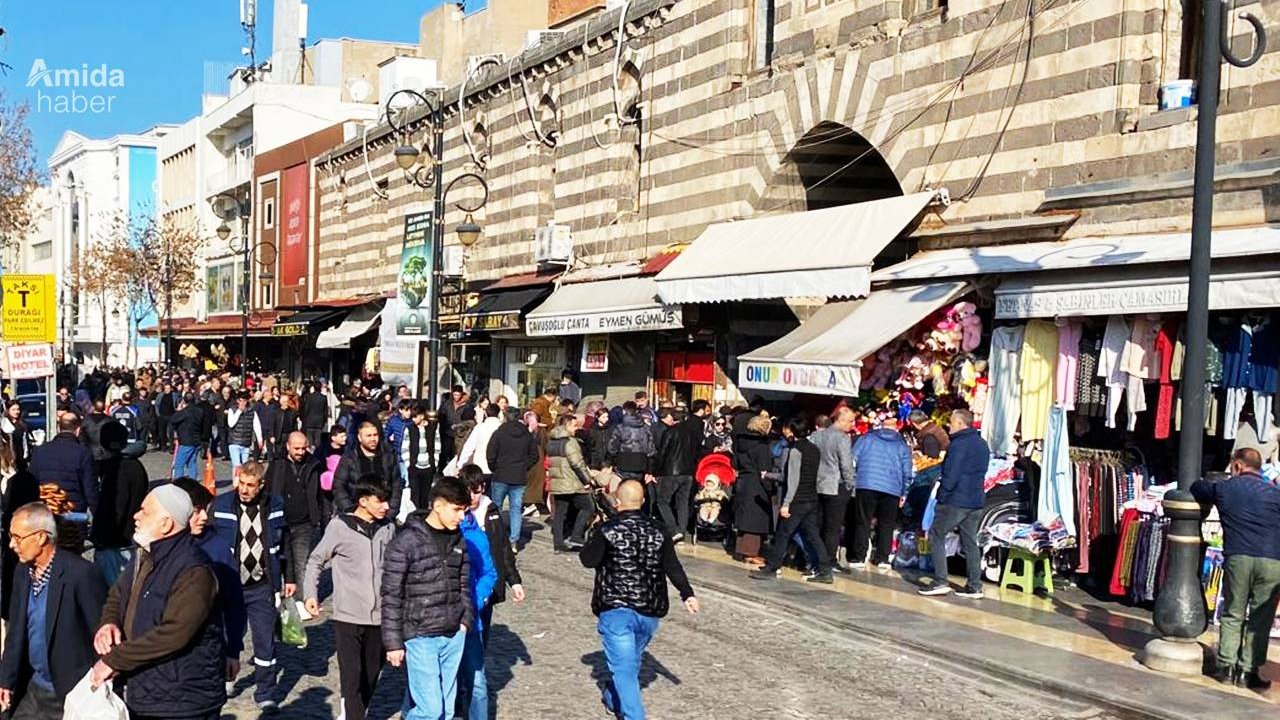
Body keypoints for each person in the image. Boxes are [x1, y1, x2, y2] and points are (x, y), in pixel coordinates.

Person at [92, 485, 228, 720]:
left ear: (166, 524)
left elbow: (175, 632)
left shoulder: (194, 570)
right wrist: (108, 623)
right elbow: (117, 595)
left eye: (144, 511)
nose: (136, 515)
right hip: (146, 690)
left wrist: (114, 660)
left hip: (182, 700)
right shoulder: (144, 554)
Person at [580, 479, 698, 720]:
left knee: (625, 669)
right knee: (629, 664)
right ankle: (614, 699)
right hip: (649, 608)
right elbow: (672, 566)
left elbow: (588, 559)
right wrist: (687, 593)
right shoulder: (659, 529)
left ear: (617, 501)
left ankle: (632, 714)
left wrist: (594, 533)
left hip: (616, 607)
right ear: (643, 502)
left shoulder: (607, 529)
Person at [0, 503, 106, 718]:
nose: (12, 544)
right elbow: (16, 632)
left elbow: (100, 632)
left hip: (69, 692)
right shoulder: (22, 572)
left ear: (41, 537)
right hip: (31, 688)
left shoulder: (80, 574)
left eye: (18, 538)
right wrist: (6, 679)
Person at [381, 475, 474, 720]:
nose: (461, 517)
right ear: (438, 505)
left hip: (453, 633)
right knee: (431, 711)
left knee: (447, 709)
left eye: (464, 511)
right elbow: (391, 594)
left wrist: (465, 620)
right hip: (420, 635)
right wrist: (393, 643)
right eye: (457, 510)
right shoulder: (405, 542)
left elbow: (464, 583)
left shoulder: (460, 541)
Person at [304, 479, 394, 720]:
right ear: (363, 501)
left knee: (371, 674)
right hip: (348, 616)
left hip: (379, 617)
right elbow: (316, 560)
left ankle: (353, 712)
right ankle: (354, 714)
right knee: (352, 676)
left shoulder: (388, 528)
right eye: (380, 501)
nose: (386, 506)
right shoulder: (339, 527)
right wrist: (310, 594)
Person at [206, 461, 293, 709]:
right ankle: (226, 677)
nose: (244, 490)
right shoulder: (221, 506)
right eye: (241, 483)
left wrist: (290, 578)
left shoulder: (274, 505)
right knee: (226, 636)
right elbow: (208, 540)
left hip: (262, 584)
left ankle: (266, 692)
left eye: (250, 485)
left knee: (265, 641)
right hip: (229, 584)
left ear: (261, 485)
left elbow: (284, 543)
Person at [1194, 447, 1280, 690]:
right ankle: (1248, 672)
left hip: (1239, 557)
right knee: (1261, 619)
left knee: (1233, 612)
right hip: (1273, 560)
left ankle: (1227, 668)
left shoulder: (1226, 487)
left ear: (1238, 466)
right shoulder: (1274, 492)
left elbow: (1197, 488)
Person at [749, 417, 833, 584]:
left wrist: (786, 504)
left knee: (782, 534)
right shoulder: (814, 449)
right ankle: (825, 570)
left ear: (792, 431)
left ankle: (772, 567)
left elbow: (793, 480)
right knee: (813, 536)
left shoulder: (796, 451)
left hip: (797, 500)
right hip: (811, 498)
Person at [920, 409, 991, 598]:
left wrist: (942, 496)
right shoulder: (982, 444)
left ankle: (940, 580)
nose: (949, 426)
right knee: (970, 542)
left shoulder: (958, 445)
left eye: (951, 422)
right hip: (975, 500)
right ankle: (975, 585)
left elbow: (951, 473)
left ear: (961, 423)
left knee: (936, 534)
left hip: (956, 500)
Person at [266, 431, 322, 619]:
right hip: (281, 520)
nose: (300, 452)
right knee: (279, 559)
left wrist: (319, 515)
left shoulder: (313, 464)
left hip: (304, 521)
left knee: (301, 562)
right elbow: (268, 490)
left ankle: (301, 600)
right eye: (296, 448)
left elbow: (319, 493)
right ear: (288, 446)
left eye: (303, 448)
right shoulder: (277, 464)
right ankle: (277, 593)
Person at [454, 484, 498, 720]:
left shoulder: (476, 535)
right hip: (439, 620)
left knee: (478, 682)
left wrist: (476, 600)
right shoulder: (433, 535)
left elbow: (489, 573)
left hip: (472, 621)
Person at [89, 422, 150, 586]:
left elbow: (117, 507)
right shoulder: (133, 465)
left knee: (114, 591)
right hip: (127, 536)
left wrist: (102, 537)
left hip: (117, 542)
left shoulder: (119, 469)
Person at [849, 415, 913, 570]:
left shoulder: (866, 439)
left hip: (866, 484)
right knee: (887, 523)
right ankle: (883, 558)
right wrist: (904, 492)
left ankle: (859, 556)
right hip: (892, 488)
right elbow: (907, 472)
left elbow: (852, 460)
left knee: (863, 521)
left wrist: (854, 480)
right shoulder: (902, 445)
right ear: (896, 428)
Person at [485, 408, 540, 553]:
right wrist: (524, 467)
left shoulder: (499, 433)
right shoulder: (526, 434)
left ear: (505, 417)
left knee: (495, 508)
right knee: (516, 510)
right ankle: (513, 541)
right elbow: (534, 455)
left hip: (501, 475)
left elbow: (490, 454)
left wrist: (494, 468)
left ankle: (495, 537)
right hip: (519, 477)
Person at [810, 408, 857, 572]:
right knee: (833, 527)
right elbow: (846, 464)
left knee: (818, 523)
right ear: (841, 420)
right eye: (851, 421)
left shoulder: (817, 436)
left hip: (817, 484)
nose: (853, 424)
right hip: (836, 485)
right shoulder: (842, 438)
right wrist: (851, 484)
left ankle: (815, 557)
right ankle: (828, 560)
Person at [29, 414, 97, 516]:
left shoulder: (40, 451)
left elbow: (31, 482)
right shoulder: (83, 453)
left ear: (58, 428)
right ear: (78, 430)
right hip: (74, 511)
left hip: (47, 509)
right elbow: (90, 490)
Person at [547, 413, 595, 552]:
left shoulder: (552, 441)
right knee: (588, 507)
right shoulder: (570, 442)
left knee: (560, 513)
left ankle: (558, 543)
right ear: (567, 425)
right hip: (571, 481)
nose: (576, 429)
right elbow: (577, 463)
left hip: (558, 481)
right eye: (574, 426)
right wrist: (587, 480)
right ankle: (576, 535)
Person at [731, 414, 776, 564]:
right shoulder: (762, 447)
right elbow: (765, 469)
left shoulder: (740, 443)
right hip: (756, 483)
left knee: (744, 516)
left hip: (743, 480)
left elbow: (735, 463)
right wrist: (770, 487)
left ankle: (740, 550)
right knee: (755, 518)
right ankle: (750, 552)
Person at [334, 422, 402, 518]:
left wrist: (392, 510)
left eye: (375, 435)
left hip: (383, 514)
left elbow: (397, 484)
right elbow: (339, 485)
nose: (373, 439)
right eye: (368, 436)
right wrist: (350, 510)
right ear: (359, 437)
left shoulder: (388, 455)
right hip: (357, 514)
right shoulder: (349, 458)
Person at [652, 408, 697, 541]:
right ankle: (682, 530)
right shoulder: (691, 433)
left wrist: (655, 471)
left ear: (673, 418)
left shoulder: (670, 432)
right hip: (688, 472)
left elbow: (662, 453)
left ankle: (673, 529)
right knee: (682, 502)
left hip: (671, 472)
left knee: (662, 502)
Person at [606, 404, 655, 483]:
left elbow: (612, 448)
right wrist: (649, 470)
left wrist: (610, 462)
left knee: (623, 490)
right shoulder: (645, 428)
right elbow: (651, 450)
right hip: (641, 464)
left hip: (623, 464)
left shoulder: (620, 428)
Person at [454, 403, 502, 482]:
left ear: (485, 414)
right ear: (498, 414)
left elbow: (469, 447)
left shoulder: (480, 428)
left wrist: (459, 465)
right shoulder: (502, 428)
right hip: (498, 469)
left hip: (481, 467)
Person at [401, 402, 436, 510]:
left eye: (415, 417)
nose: (413, 419)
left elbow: (437, 445)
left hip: (428, 466)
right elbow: (405, 447)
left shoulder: (432, 427)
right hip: (414, 466)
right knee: (415, 494)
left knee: (425, 494)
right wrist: (408, 463)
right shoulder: (410, 429)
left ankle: (423, 513)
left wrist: (435, 462)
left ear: (422, 416)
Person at [226, 391, 264, 474]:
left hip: (246, 442)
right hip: (234, 441)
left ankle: (242, 482)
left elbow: (256, 425)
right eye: (241, 400)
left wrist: (259, 438)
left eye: (244, 400)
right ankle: (236, 483)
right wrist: (239, 411)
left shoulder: (252, 411)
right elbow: (231, 424)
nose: (242, 402)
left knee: (245, 466)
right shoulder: (232, 409)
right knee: (237, 466)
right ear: (237, 400)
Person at [169, 393, 205, 478]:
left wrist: (178, 410)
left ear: (184, 401)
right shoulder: (200, 411)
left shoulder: (185, 412)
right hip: (197, 440)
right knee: (192, 463)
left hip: (186, 441)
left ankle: (179, 484)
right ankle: (193, 483)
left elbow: (173, 420)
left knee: (179, 464)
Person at [438, 386, 470, 467]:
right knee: (444, 452)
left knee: (455, 454)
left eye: (458, 395)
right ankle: (441, 470)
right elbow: (441, 414)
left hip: (459, 433)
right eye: (455, 395)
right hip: (446, 432)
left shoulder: (466, 405)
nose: (456, 397)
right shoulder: (447, 404)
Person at [0, 400, 34, 470]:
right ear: (8, 410)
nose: (16, 412)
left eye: (18, 409)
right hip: (8, 459)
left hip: (21, 459)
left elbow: (25, 442)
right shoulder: (4, 424)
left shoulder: (22, 424)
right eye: (13, 409)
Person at [301, 382, 330, 451]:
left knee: (309, 440)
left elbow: (306, 409)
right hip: (319, 421)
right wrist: (324, 421)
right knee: (318, 440)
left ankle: (310, 454)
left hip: (309, 421)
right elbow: (325, 411)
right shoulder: (323, 398)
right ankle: (317, 455)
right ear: (320, 388)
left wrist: (304, 419)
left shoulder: (308, 396)